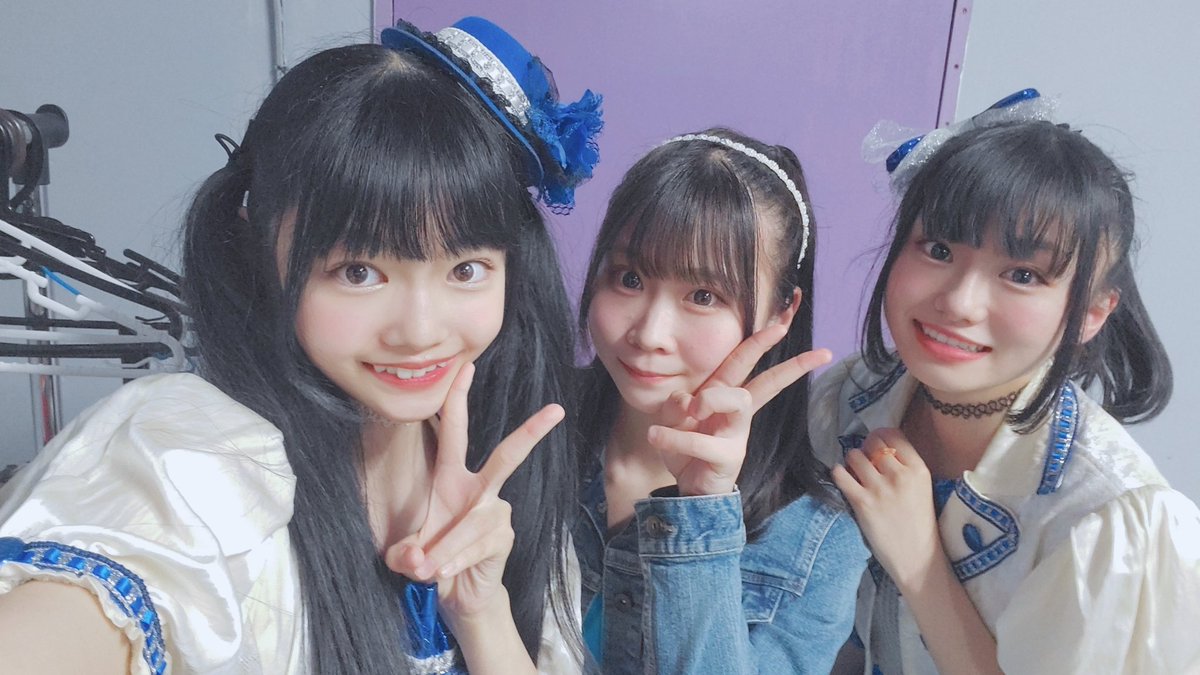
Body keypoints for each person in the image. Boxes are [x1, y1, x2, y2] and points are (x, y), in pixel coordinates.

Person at [0, 16, 602, 675]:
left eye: (465, 269)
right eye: (358, 272)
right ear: (260, 248)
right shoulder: (199, 457)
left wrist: (481, 611)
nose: (420, 330)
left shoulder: (500, 478)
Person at [817, 97, 1200, 674]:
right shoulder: (846, 395)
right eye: (939, 249)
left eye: (1022, 275)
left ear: (1092, 312)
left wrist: (922, 565)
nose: (959, 303)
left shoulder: (1107, 519)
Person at [572, 128, 869, 674]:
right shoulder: (521, 427)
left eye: (703, 296)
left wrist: (700, 511)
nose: (650, 333)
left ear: (782, 311)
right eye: (629, 278)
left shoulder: (820, 539)